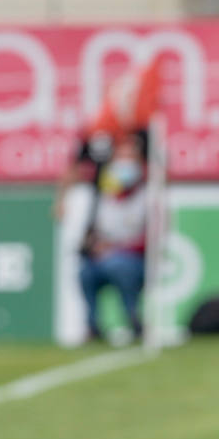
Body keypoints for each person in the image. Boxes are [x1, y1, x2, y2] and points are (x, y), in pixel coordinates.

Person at [78, 131, 148, 343]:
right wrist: (94, 245)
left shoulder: (147, 195)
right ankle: (92, 325)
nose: (124, 164)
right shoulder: (104, 197)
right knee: (86, 272)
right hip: (105, 257)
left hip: (133, 260)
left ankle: (133, 318)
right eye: (120, 158)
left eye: (130, 158)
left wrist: (116, 248)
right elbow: (94, 232)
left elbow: (150, 240)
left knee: (118, 265)